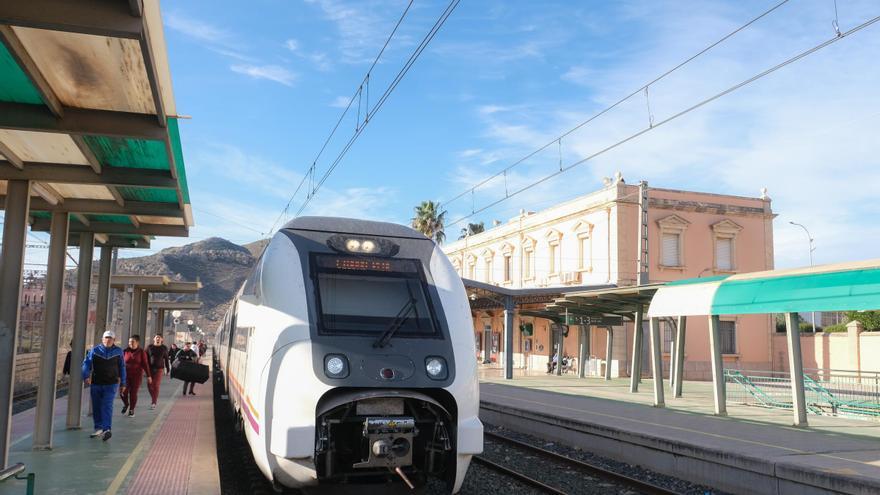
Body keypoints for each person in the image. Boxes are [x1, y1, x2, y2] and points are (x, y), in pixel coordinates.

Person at [82, 330, 126, 441]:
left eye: (110, 338)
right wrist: (86, 375)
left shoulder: (118, 351)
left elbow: (122, 367)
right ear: (102, 339)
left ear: (114, 340)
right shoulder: (94, 350)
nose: (108, 340)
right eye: (106, 338)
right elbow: (86, 363)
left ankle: (107, 429)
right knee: (96, 406)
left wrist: (123, 383)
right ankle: (99, 428)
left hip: (111, 384)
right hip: (96, 383)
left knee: (107, 405)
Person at [121, 335, 151, 417]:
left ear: (137, 342)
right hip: (125, 375)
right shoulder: (125, 351)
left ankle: (131, 409)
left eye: (132, 342)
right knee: (123, 392)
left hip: (136, 376)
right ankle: (126, 404)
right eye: (129, 342)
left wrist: (149, 376)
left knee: (133, 393)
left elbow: (145, 364)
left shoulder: (141, 352)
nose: (130, 343)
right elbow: (120, 364)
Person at [145, 334, 171, 410]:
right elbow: (145, 358)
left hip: (159, 369)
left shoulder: (164, 348)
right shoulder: (149, 347)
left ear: (162, 340)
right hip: (150, 369)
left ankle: (154, 402)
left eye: (159, 338)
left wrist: (168, 370)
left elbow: (166, 359)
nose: (158, 339)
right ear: (154, 339)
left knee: (156, 385)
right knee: (149, 386)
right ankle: (154, 397)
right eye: (156, 337)